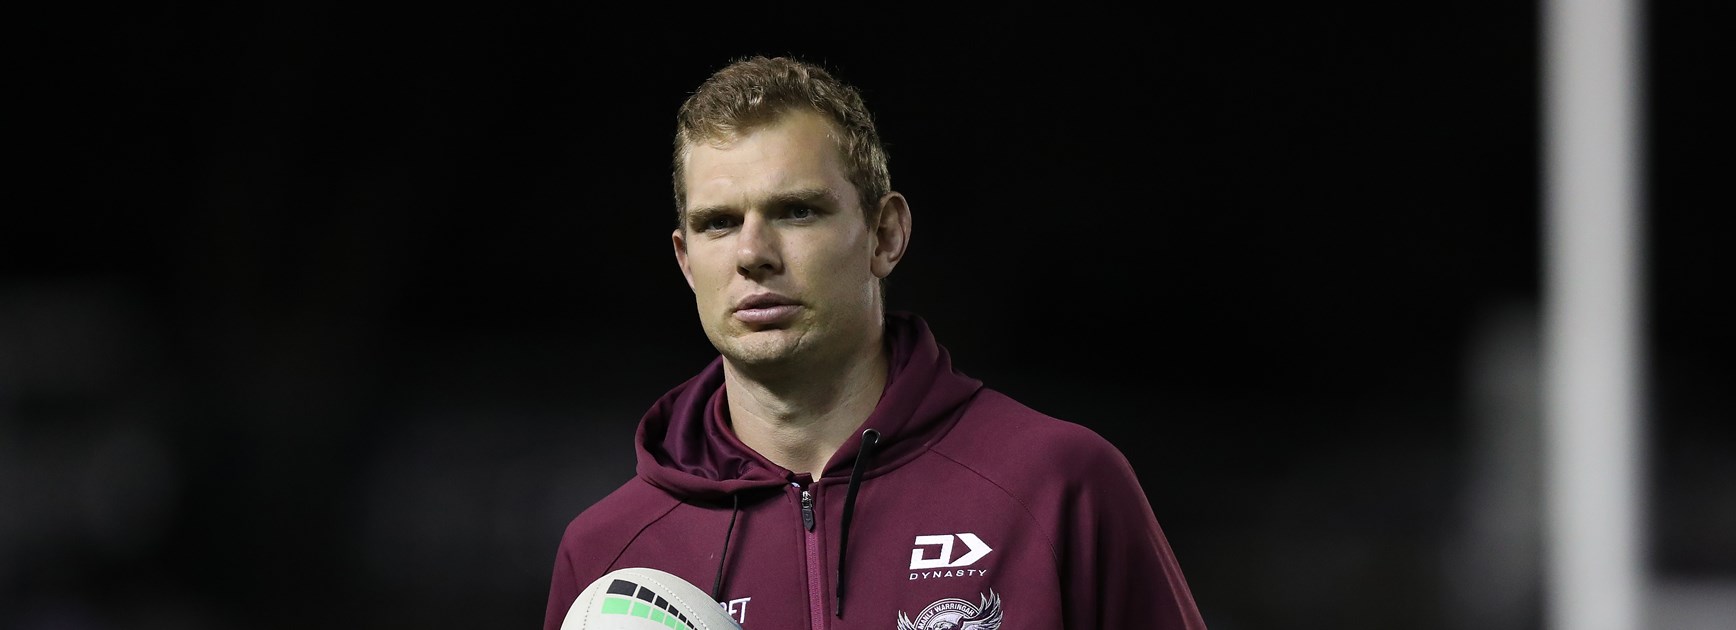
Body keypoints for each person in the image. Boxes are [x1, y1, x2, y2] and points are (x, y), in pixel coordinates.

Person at [543, 54, 1206, 630]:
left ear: (886, 235)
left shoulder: (1058, 486)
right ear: (686, 261)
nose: (752, 253)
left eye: (797, 211)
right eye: (718, 223)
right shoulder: (608, 559)